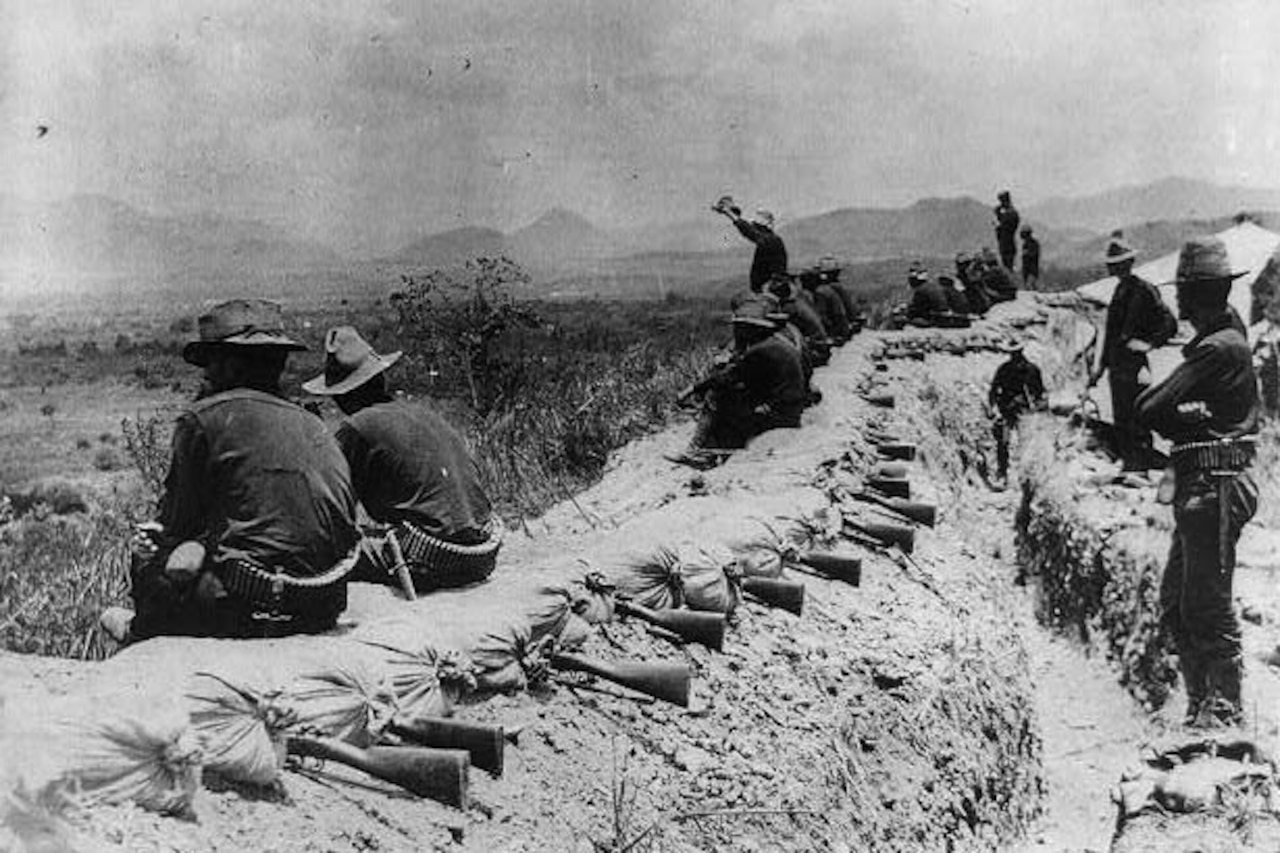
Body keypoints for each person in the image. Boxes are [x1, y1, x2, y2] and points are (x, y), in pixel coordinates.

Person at [100, 299, 360, 642]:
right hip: (322, 604)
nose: (206, 373)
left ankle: (143, 632)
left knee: (153, 555)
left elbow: (178, 525)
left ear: (230, 365)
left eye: (211, 362)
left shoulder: (203, 420)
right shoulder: (316, 426)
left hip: (243, 609)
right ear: (277, 363)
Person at [1134, 235, 1260, 728]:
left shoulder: (1217, 348)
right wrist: (1193, 416)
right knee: (1175, 602)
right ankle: (1199, 704)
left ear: (1198, 294)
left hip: (1217, 482)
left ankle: (1224, 709)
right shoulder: (1227, 335)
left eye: (1184, 291)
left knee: (1205, 601)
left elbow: (1150, 408)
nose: (1178, 300)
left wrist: (1183, 414)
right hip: (1204, 481)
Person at [303, 327, 501, 593]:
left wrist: (316, 444)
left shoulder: (358, 426)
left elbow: (326, 502)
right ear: (380, 378)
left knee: (316, 549)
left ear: (341, 394)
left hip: (429, 556)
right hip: (482, 552)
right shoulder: (424, 414)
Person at [669, 299, 808, 469]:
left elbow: (726, 378)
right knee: (734, 398)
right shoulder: (776, 344)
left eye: (741, 327)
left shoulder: (760, 351)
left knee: (716, 398)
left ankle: (699, 450)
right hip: (790, 408)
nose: (738, 331)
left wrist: (691, 390)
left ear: (751, 329)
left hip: (780, 414)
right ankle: (714, 450)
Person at [1089, 231, 1178, 470]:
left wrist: (1149, 344)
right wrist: (1101, 368)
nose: (1113, 269)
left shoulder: (1145, 290)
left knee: (1138, 414)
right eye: (1111, 266)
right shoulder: (1118, 293)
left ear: (1128, 264)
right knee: (1121, 416)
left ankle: (1141, 464)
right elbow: (1110, 336)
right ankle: (1130, 464)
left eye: (1117, 265)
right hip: (1118, 367)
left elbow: (1169, 323)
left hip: (1135, 365)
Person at [987, 340, 1046, 489]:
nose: (1014, 356)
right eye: (1012, 353)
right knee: (1003, 442)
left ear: (1022, 352)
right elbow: (993, 390)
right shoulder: (1004, 369)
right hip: (1006, 411)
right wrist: (992, 408)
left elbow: (1040, 394)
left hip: (1025, 412)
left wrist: (1033, 407)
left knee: (1025, 446)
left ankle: (1025, 479)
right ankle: (1002, 474)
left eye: (1016, 353)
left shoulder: (1032, 370)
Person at [712, 195, 788, 292]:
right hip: (768, 289)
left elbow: (749, 231)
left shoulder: (771, 240)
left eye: (755, 225)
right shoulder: (772, 240)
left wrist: (729, 213)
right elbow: (748, 229)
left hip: (771, 290)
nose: (753, 227)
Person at [799, 263, 852, 344]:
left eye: (804, 281)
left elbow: (822, 317)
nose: (802, 285)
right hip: (841, 328)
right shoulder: (825, 289)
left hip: (837, 332)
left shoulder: (820, 293)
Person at [994, 190, 1020, 271]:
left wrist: (999, 222)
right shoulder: (1008, 212)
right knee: (1006, 264)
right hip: (1004, 243)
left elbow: (1005, 225)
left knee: (1008, 265)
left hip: (1008, 243)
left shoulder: (1011, 213)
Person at [1020, 226, 1041, 290]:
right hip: (1027, 270)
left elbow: (1033, 255)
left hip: (1031, 270)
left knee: (1031, 286)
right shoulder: (1026, 244)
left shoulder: (1033, 243)